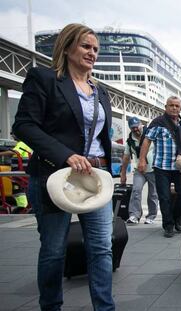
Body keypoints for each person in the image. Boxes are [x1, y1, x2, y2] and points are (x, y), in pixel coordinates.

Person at [12, 23, 115, 310]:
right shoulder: (44, 79)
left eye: (95, 49)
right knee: (54, 252)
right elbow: (23, 125)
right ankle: (51, 306)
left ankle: (105, 308)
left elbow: (101, 137)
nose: (92, 53)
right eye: (85, 46)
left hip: (94, 177)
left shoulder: (100, 92)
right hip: (53, 176)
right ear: (67, 47)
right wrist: (65, 155)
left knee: (102, 249)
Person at [138, 96, 181, 238]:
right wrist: (142, 159)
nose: (174, 108)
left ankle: (177, 217)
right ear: (165, 107)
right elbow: (147, 141)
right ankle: (168, 225)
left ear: (180, 109)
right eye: (171, 105)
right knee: (164, 197)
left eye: (177, 106)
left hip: (180, 167)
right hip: (162, 167)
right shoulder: (158, 122)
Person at [121, 116, 158, 225]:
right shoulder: (130, 141)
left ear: (141, 124)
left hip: (153, 169)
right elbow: (126, 157)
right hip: (139, 170)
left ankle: (151, 216)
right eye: (133, 128)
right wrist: (123, 173)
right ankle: (134, 215)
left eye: (137, 127)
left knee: (153, 194)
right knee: (136, 191)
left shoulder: (150, 134)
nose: (136, 130)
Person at [0, 133, 32, 209]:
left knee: (18, 190)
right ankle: (24, 207)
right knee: (20, 190)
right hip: (21, 171)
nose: (12, 136)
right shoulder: (23, 143)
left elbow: (14, 152)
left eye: (14, 134)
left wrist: (1, 154)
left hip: (20, 171)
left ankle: (23, 207)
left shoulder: (22, 143)